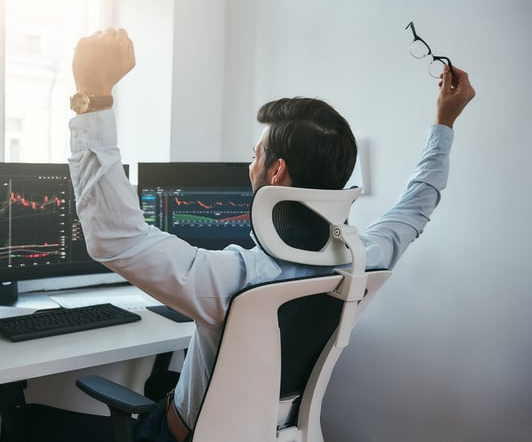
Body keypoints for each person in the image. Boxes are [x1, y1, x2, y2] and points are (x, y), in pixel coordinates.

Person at [64, 28, 475, 441]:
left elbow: (116, 238)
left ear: (276, 171)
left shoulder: (235, 280)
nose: (250, 165)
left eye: (255, 154)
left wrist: (93, 99)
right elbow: (419, 203)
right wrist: (445, 121)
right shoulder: (367, 258)